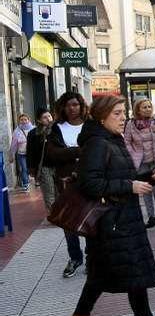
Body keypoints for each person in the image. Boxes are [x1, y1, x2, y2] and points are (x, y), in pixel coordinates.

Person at [63, 95, 155, 316]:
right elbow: (90, 184)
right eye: (116, 113)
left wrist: (150, 178)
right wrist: (129, 185)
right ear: (102, 117)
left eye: (123, 112)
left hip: (122, 219)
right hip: (112, 223)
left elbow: (120, 176)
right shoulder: (97, 143)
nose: (122, 117)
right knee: (135, 276)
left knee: (98, 275)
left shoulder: (111, 140)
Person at [46, 92, 88, 278]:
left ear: (81, 105)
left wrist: (69, 153)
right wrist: (78, 151)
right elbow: (53, 154)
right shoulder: (57, 128)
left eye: (75, 104)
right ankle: (75, 257)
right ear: (62, 107)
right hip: (65, 182)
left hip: (89, 179)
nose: (72, 108)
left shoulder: (90, 125)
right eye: (68, 105)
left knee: (90, 218)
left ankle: (92, 258)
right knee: (69, 221)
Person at [124, 99, 155, 228]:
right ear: (138, 110)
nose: (147, 109)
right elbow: (127, 141)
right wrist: (132, 153)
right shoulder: (131, 124)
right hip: (141, 163)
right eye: (144, 107)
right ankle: (151, 217)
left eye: (149, 106)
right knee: (146, 190)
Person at [25, 108, 57, 211]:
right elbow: (30, 152)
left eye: (49, 116)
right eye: (45, 117)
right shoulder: (33, 133)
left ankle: (61, 213)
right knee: (49, 192)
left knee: (59, 191)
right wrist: (31, 168)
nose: (48, 119)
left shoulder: (57, 129)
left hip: (58, 165)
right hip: (44, 167)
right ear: (39, 120)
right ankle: (53, 214)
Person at [10, 113, 34, 190]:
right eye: (21, 120)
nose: (23, 121)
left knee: (33, 167)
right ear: (19, 121)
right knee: (24, 168)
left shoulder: (33, 129)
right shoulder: (17, 131)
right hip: (21, 154)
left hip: (32, 153)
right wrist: (11, 154)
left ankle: (37, 180)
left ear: (28, 120)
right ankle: (26, 184)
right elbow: (14, 144)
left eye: (25, 119)